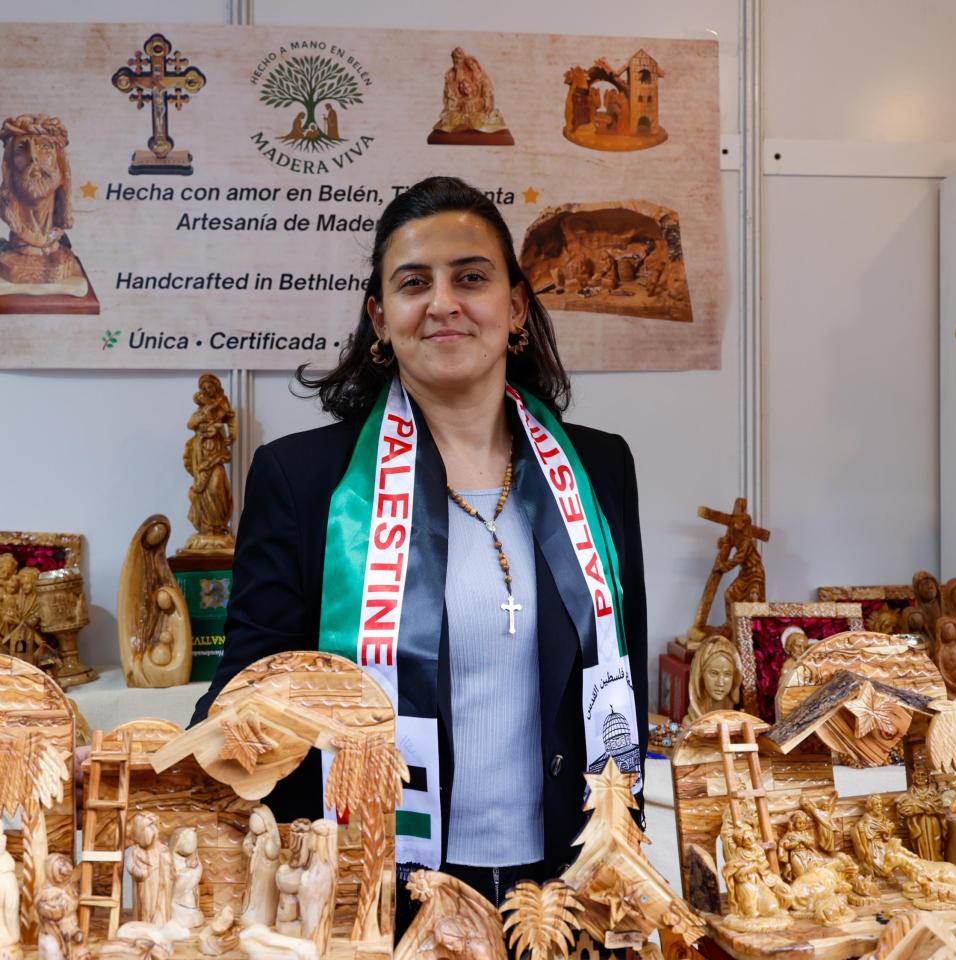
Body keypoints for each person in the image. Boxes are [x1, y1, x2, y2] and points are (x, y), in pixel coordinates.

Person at [192, 176, 648, 924]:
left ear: (516, 306)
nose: (444, 302)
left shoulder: (601, 469)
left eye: (471, 277)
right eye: (413, 283)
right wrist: (162, 768)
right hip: (383, 891)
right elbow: (248, 690)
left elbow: (615, 682)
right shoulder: (303, 481)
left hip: (567, 885)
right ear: (381, 316)